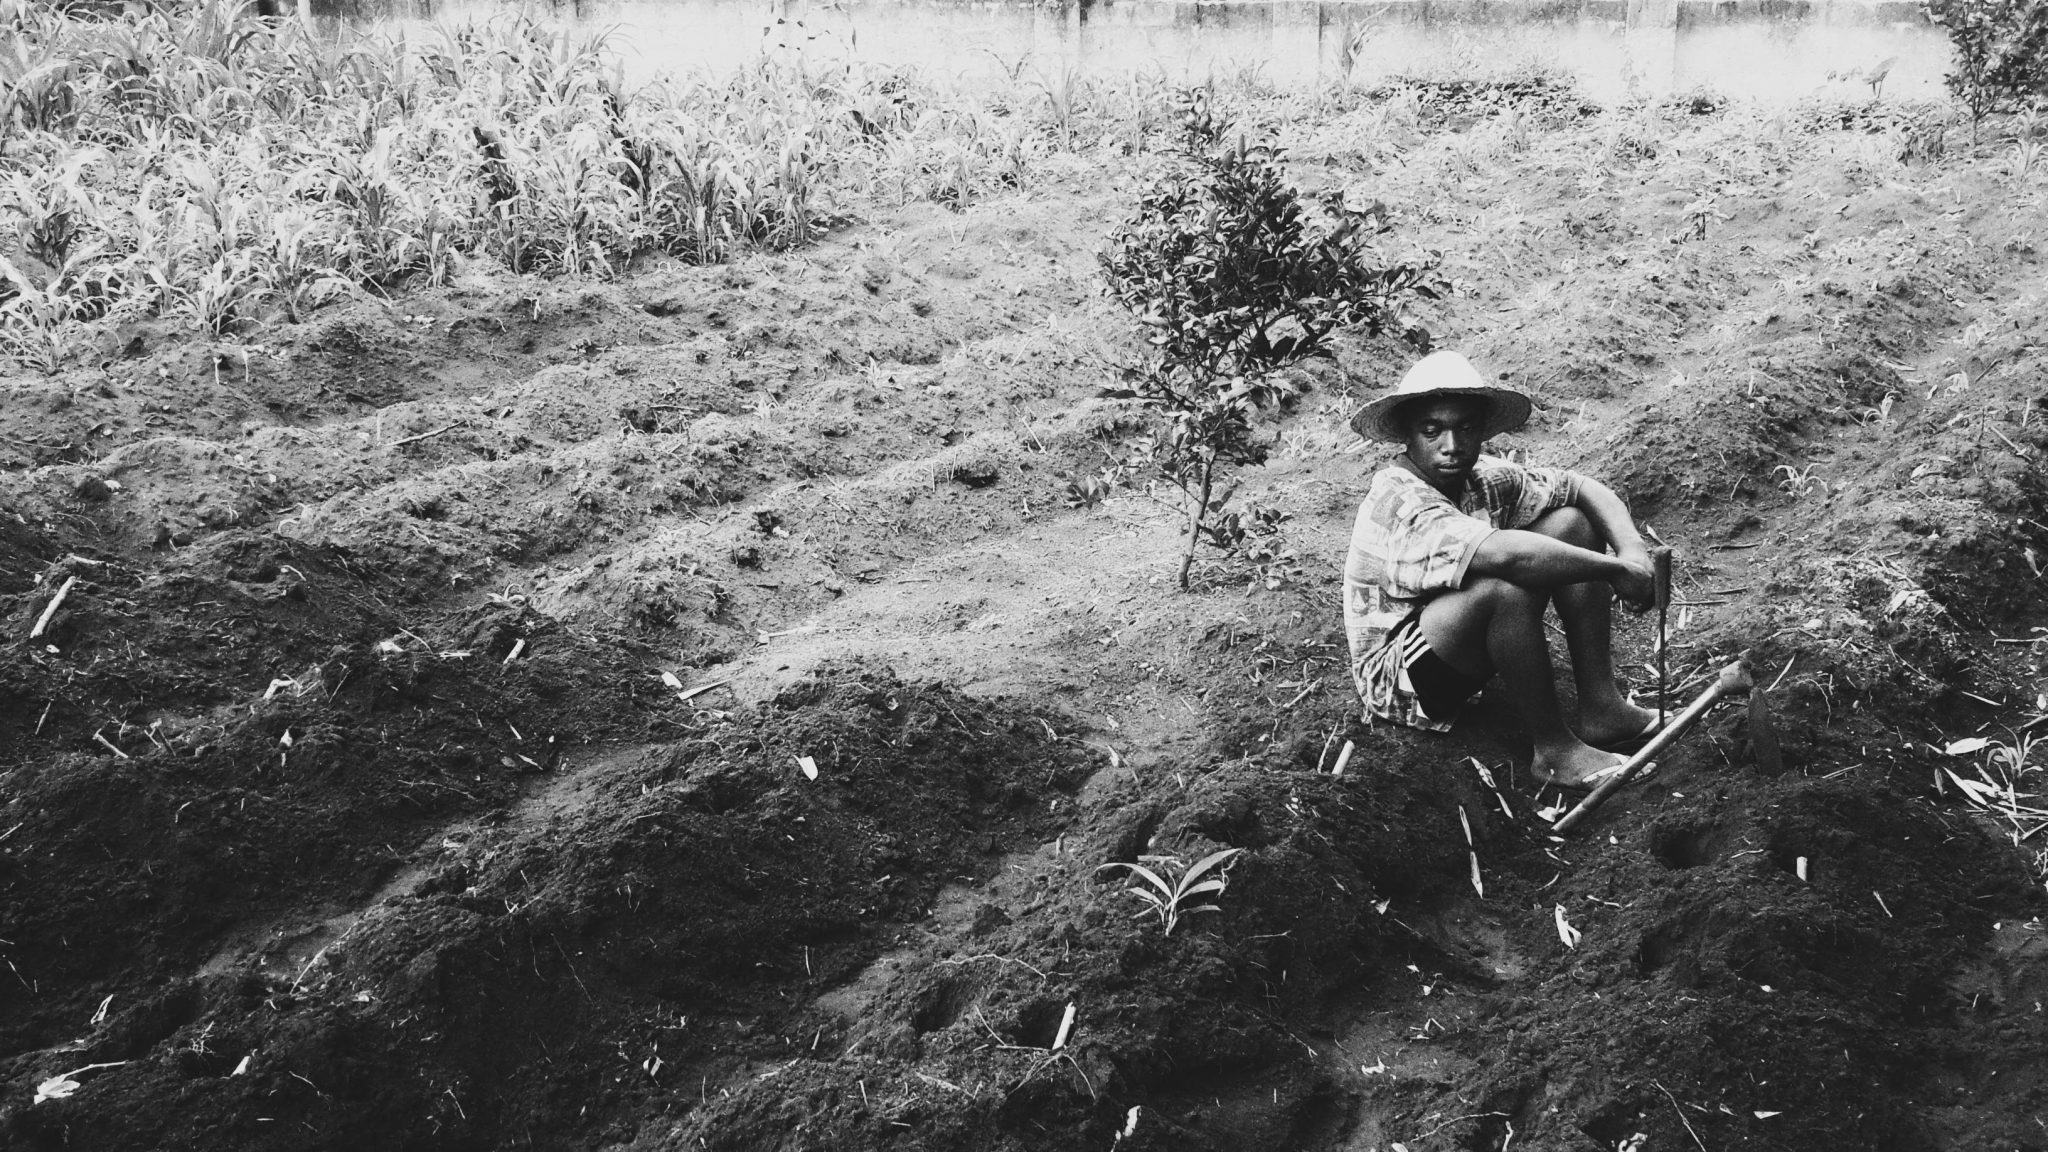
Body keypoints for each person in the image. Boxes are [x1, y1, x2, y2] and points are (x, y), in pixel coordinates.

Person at [1342, 350, 1662, 789]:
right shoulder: (1400, 501)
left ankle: (1602, 709)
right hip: (1401, 676)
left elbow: (1579, 486)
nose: (1451, 446)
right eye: (1432, 430)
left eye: (1465, 429)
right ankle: (1554, 752)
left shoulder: (1481, 477)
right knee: (1503, 588)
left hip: (1452, 629)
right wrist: (1615, 571)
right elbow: (1510, 556)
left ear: (1482, 432)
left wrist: (1633, 550)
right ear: (1407, 436)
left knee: (1572, 522)